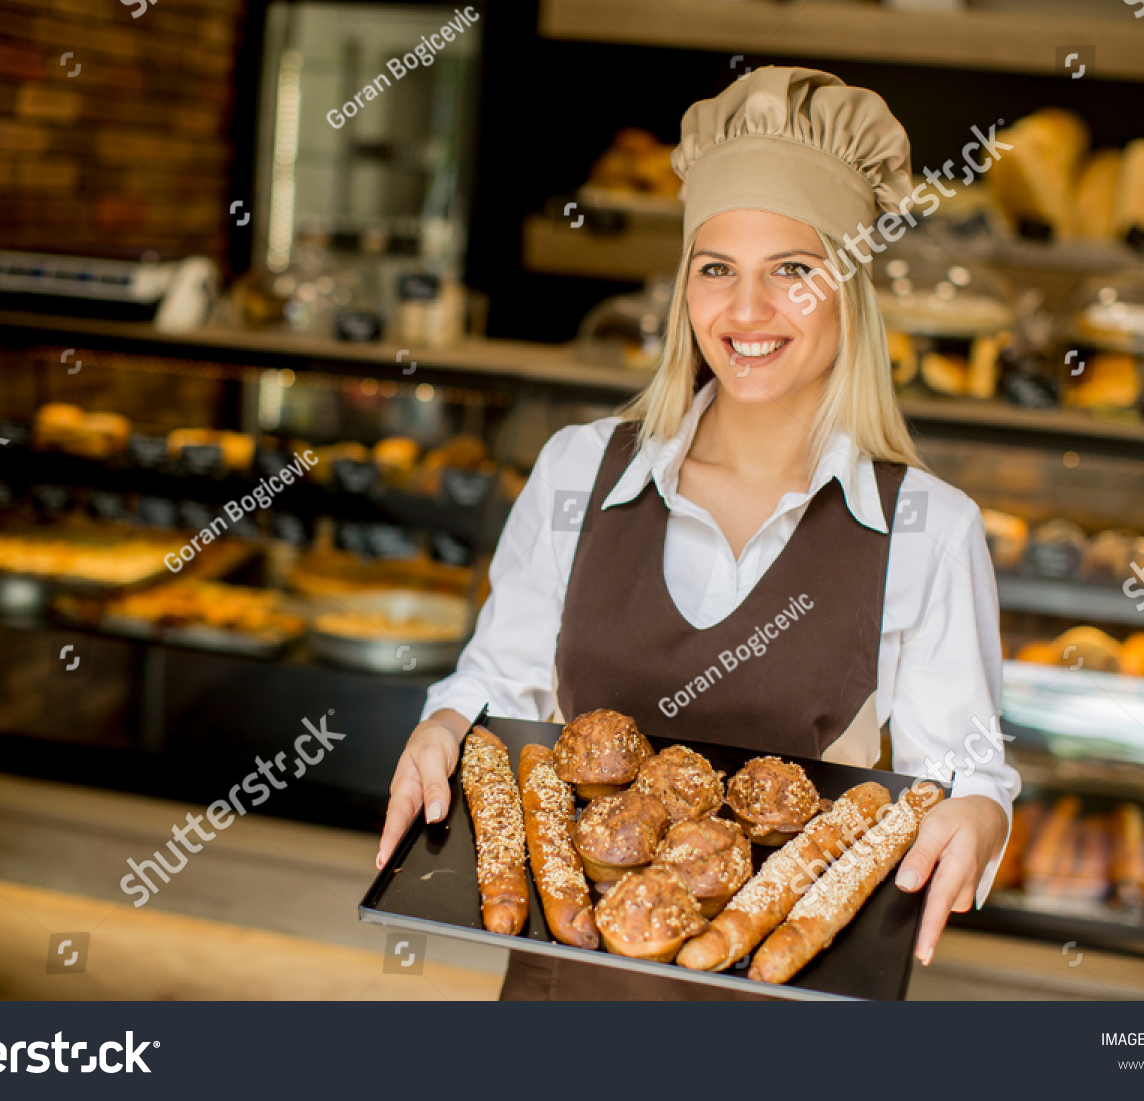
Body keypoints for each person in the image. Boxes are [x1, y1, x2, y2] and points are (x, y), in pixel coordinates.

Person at [376, 67, 1020, 999]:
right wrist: (444, 724)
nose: (746, 313)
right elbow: (495, 685)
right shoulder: (577, 470)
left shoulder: (927, 526)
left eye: (792, 272)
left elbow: (960, 772)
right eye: (716, 268)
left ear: (850, 291)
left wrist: (979, 818)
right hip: (563, 1005)